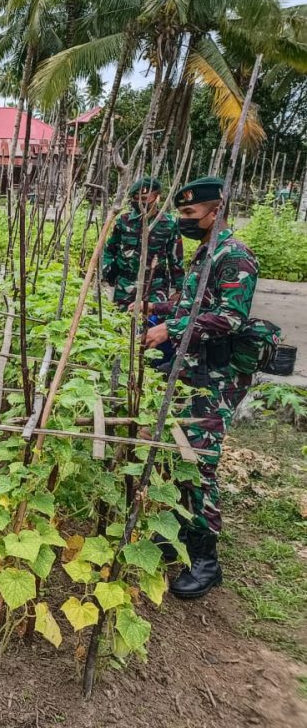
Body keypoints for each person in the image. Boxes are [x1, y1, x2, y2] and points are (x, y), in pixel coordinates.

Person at [144, 176, 259, 599]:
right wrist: (154, 307)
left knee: (199, 461)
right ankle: (176, 533)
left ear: (216, 210)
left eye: (190, 213)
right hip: (192, 371)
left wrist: (170, 329)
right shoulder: (205, 253)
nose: (184, 220)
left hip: (218, 377)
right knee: (178, 454)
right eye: (182, 213)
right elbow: (191, 303)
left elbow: (231, 318)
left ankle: (206, 561)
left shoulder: (236, 257)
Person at [102, 177, 185, 310]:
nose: (140, 203)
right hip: (125, 286)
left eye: (145, 198)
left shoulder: (170, 224)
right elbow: (110, 250)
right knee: (120, 319)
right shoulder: (124, 221)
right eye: (137, 198)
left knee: (150, 320)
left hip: (154, 286)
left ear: (157, 198)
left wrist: (179, 290)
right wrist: (106, 274)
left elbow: (175, 260)